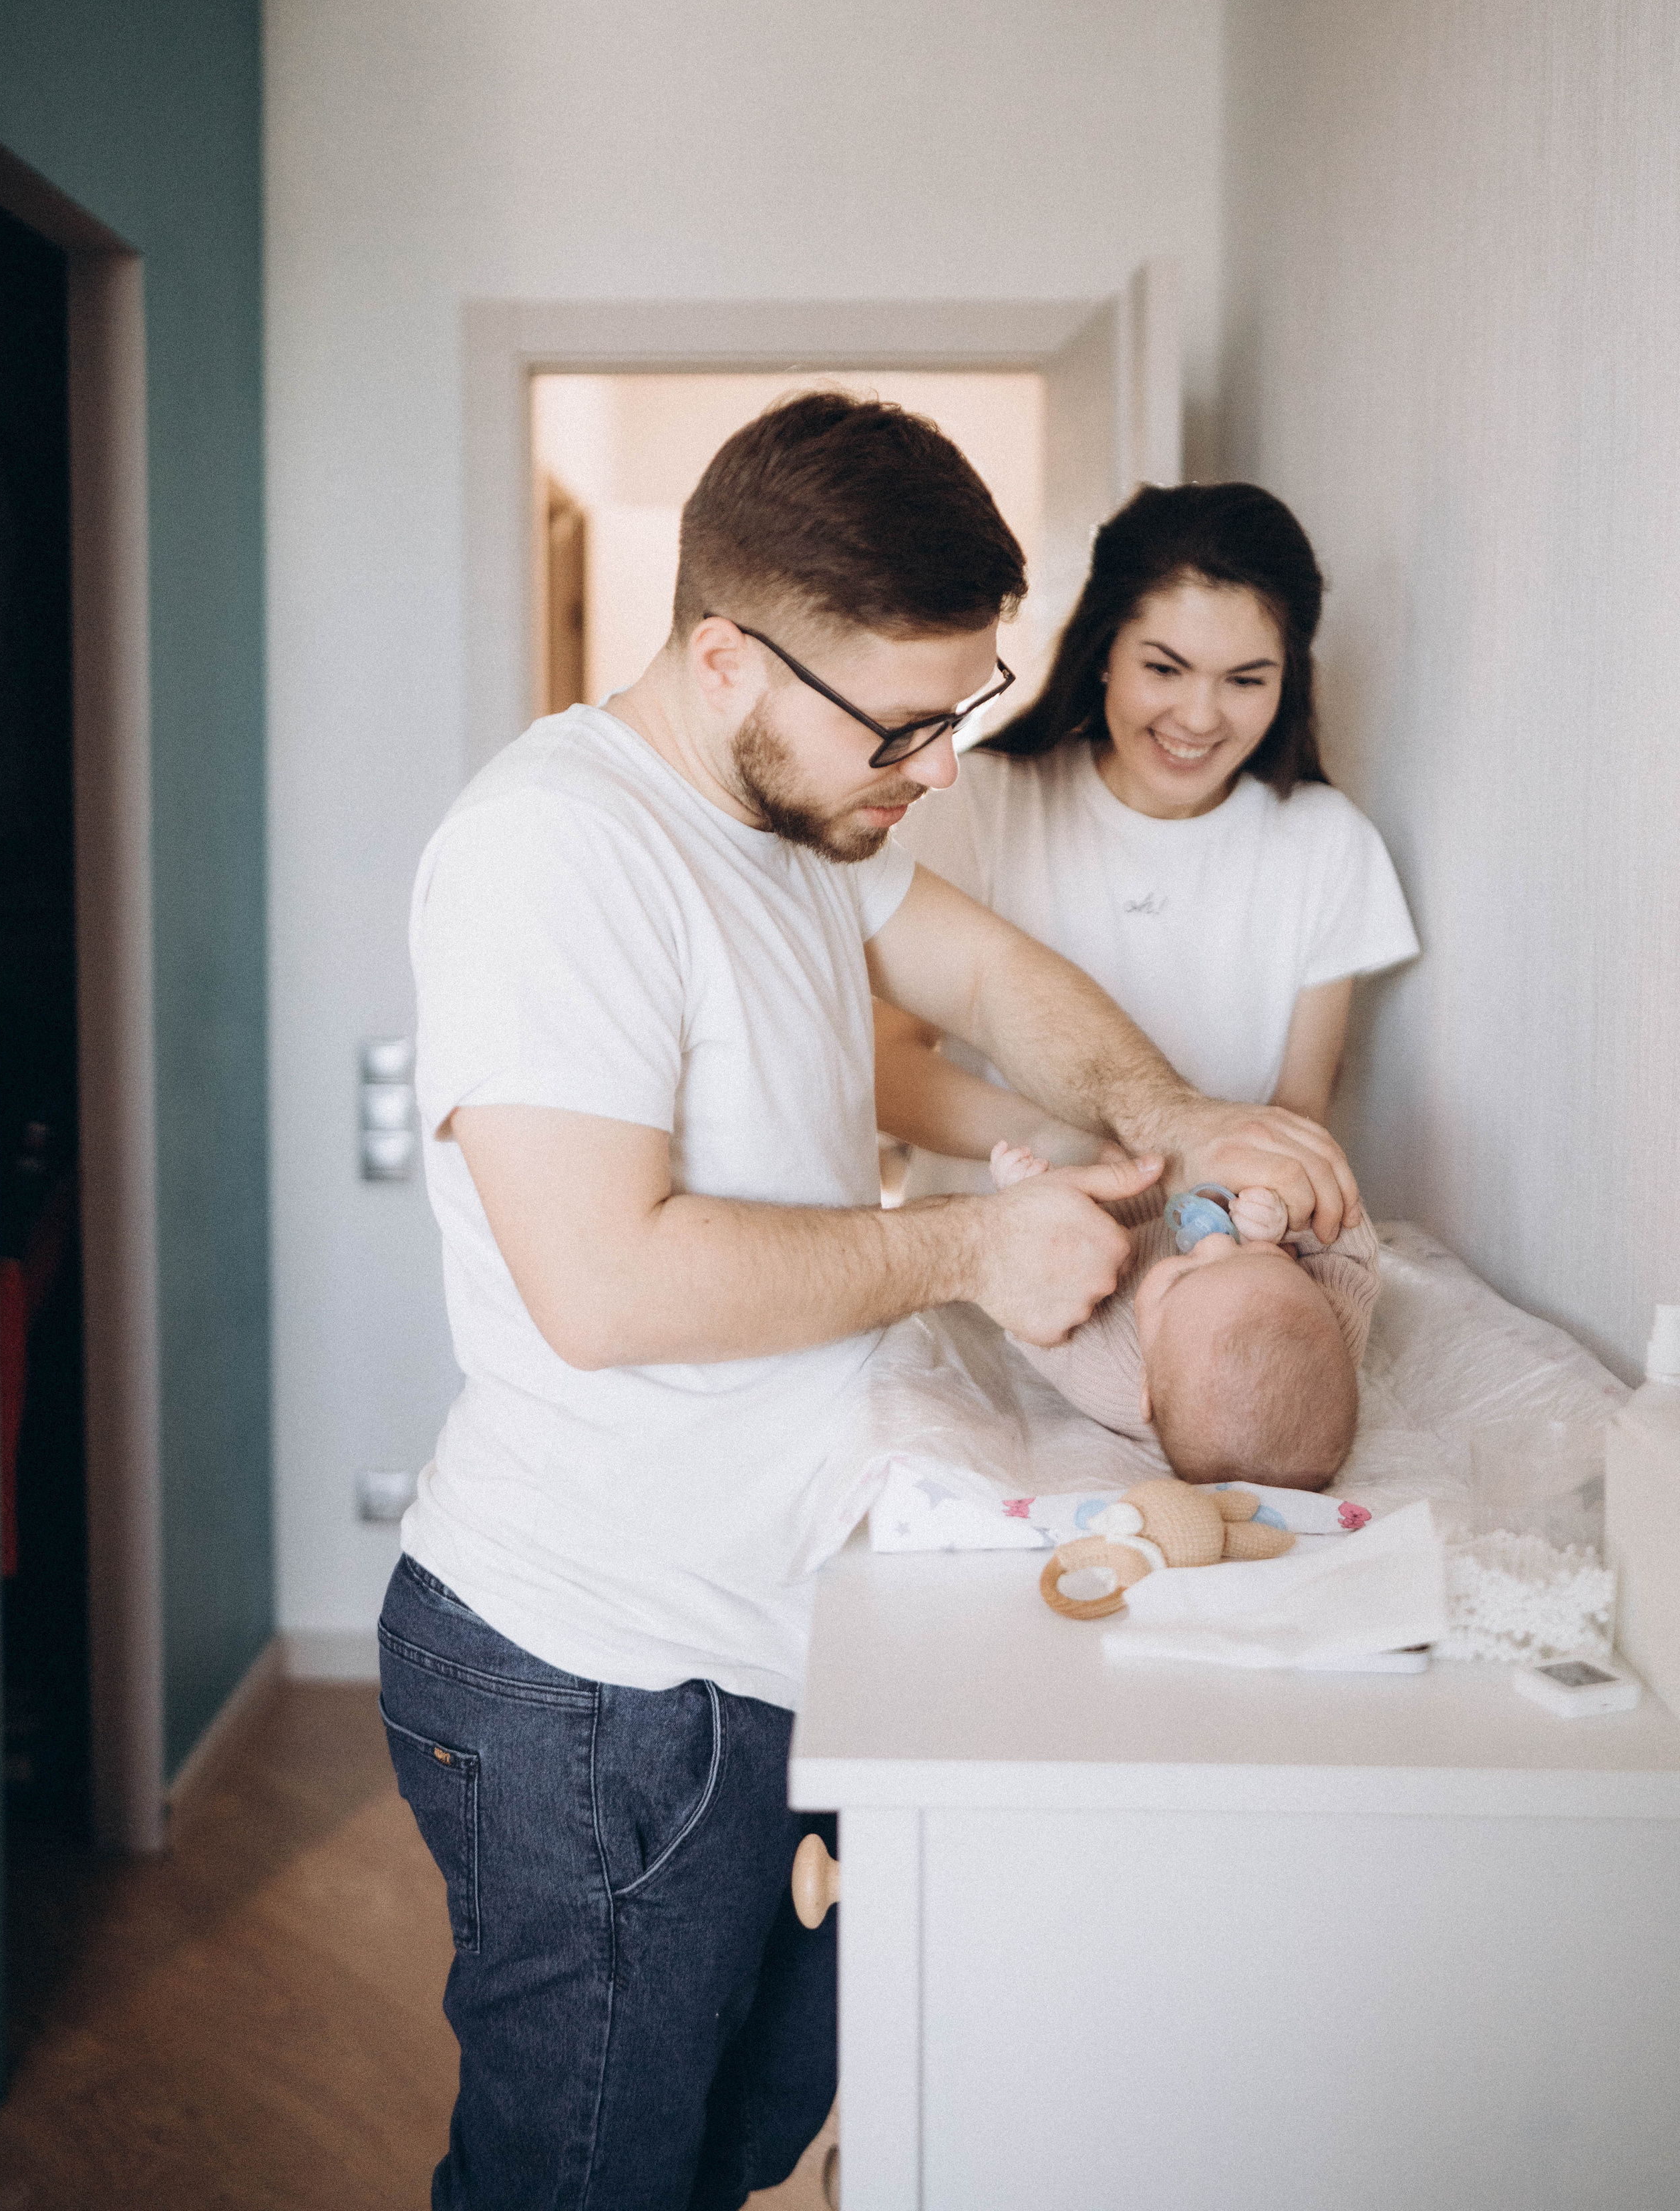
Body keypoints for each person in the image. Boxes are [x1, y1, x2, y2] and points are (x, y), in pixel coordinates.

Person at [381, 395, 1364, 2211]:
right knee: (588, 2177)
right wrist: (976, 1252)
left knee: (731, 2134)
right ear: (727, 658)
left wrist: (1172, 1114)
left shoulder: (802, 821)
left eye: (965, 706)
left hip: (744, 1632)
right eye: (904, 724)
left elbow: (986, 969)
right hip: (597, 1673)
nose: (935, 763)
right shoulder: (559, 855)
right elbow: (605, 1281)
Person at [879, 482, 1420, 1194]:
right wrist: (1069, 1148)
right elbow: (886, 1066)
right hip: (992, 1251)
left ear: (1287, 681)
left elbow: (1297, 1117)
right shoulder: (978, 802)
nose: (1198, 717)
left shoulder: (1327, 845)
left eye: (1245, 680)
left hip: (1201, 1258)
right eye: (1163, 669)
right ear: (1105, 651)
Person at [986, 1144, 1376, 1489]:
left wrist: (1026, 1206)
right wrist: (1288, 1222)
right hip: (1209, 1174)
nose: (1217, 1242)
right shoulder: (1335, 1331)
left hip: (1118, 1210)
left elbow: (1032, 1314)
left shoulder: (1108, 1377)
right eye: (1260, 1259)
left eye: (1182, 1275)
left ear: (1148, 1391)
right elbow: (1346, 1241)